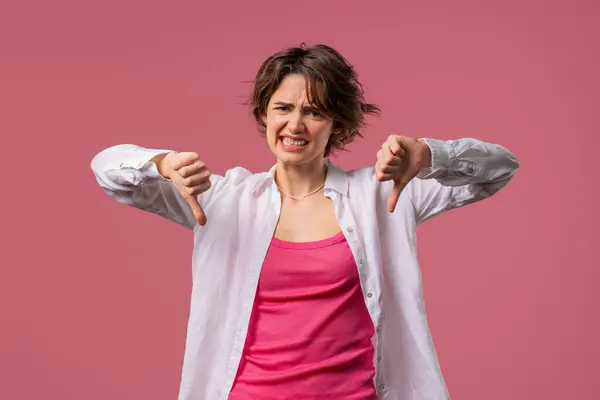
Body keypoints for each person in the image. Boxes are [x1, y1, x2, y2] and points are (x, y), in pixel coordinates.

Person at [91, 43, 519, 400]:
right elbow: (108, 170)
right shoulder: (224, 200)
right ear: (263, 115)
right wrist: (162, 163)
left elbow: (500, 168)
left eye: (314, 112)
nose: (295, 124)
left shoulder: (381, 192)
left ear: (336, 124)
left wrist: (429, 155)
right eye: (283, 108)